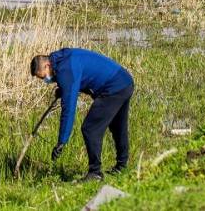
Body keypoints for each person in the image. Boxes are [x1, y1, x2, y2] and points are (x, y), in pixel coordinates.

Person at [30, 48, 134, 182]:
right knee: (118, 126)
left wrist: (62, 141)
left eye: (43, 77)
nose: (45, 80)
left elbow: (68, 108)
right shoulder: (61, 59)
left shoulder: (65, 71)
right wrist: (63, 89)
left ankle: (95, 173)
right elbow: (77, 75)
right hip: (124, 81)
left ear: (47, 65)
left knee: (90, 129)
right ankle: (122, 166)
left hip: (113, 88)